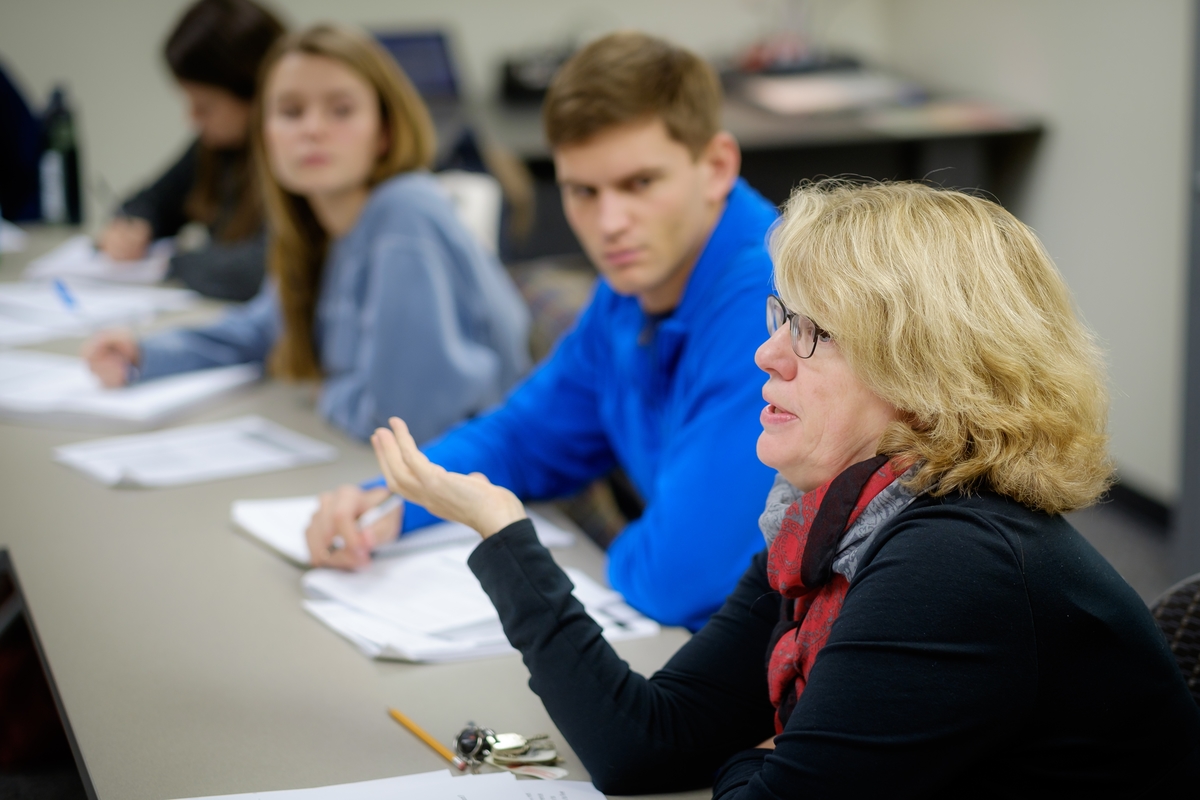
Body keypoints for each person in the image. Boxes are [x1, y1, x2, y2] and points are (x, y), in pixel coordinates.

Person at [370, 181, 1200, 797]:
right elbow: (644, 744)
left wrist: (775, 752)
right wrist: (505, 536)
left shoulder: (959, 559)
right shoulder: (829, 522)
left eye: (814, 332)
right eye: (779, 318)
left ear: (926, 370)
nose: (769, 356)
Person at [304, 32, 779, 631]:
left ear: (715, 167)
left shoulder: (772, 304)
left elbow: (681, 582)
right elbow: (525, 439)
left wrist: (601, 557)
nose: (610, 225)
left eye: (640, 184)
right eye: (584, 191)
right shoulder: (635, 286)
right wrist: (393, 499)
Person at [83, 24, 530, 445]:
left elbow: (402, 424)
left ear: (384, 132)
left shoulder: (404, 214)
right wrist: (145, 354)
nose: (312, 130)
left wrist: (324, 388)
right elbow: (261, 331)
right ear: (265, 135)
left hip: (476, 485)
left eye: (341, 110)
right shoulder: (317, 226)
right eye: (291, 111)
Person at [97, 0, 284, 301]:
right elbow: (154, 199)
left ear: (256, 93)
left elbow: (264, 269)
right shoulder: (218, 149)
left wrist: (173, 262)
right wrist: (131, 226)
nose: (193, 118)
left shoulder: (294, 154)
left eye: (205, 106)